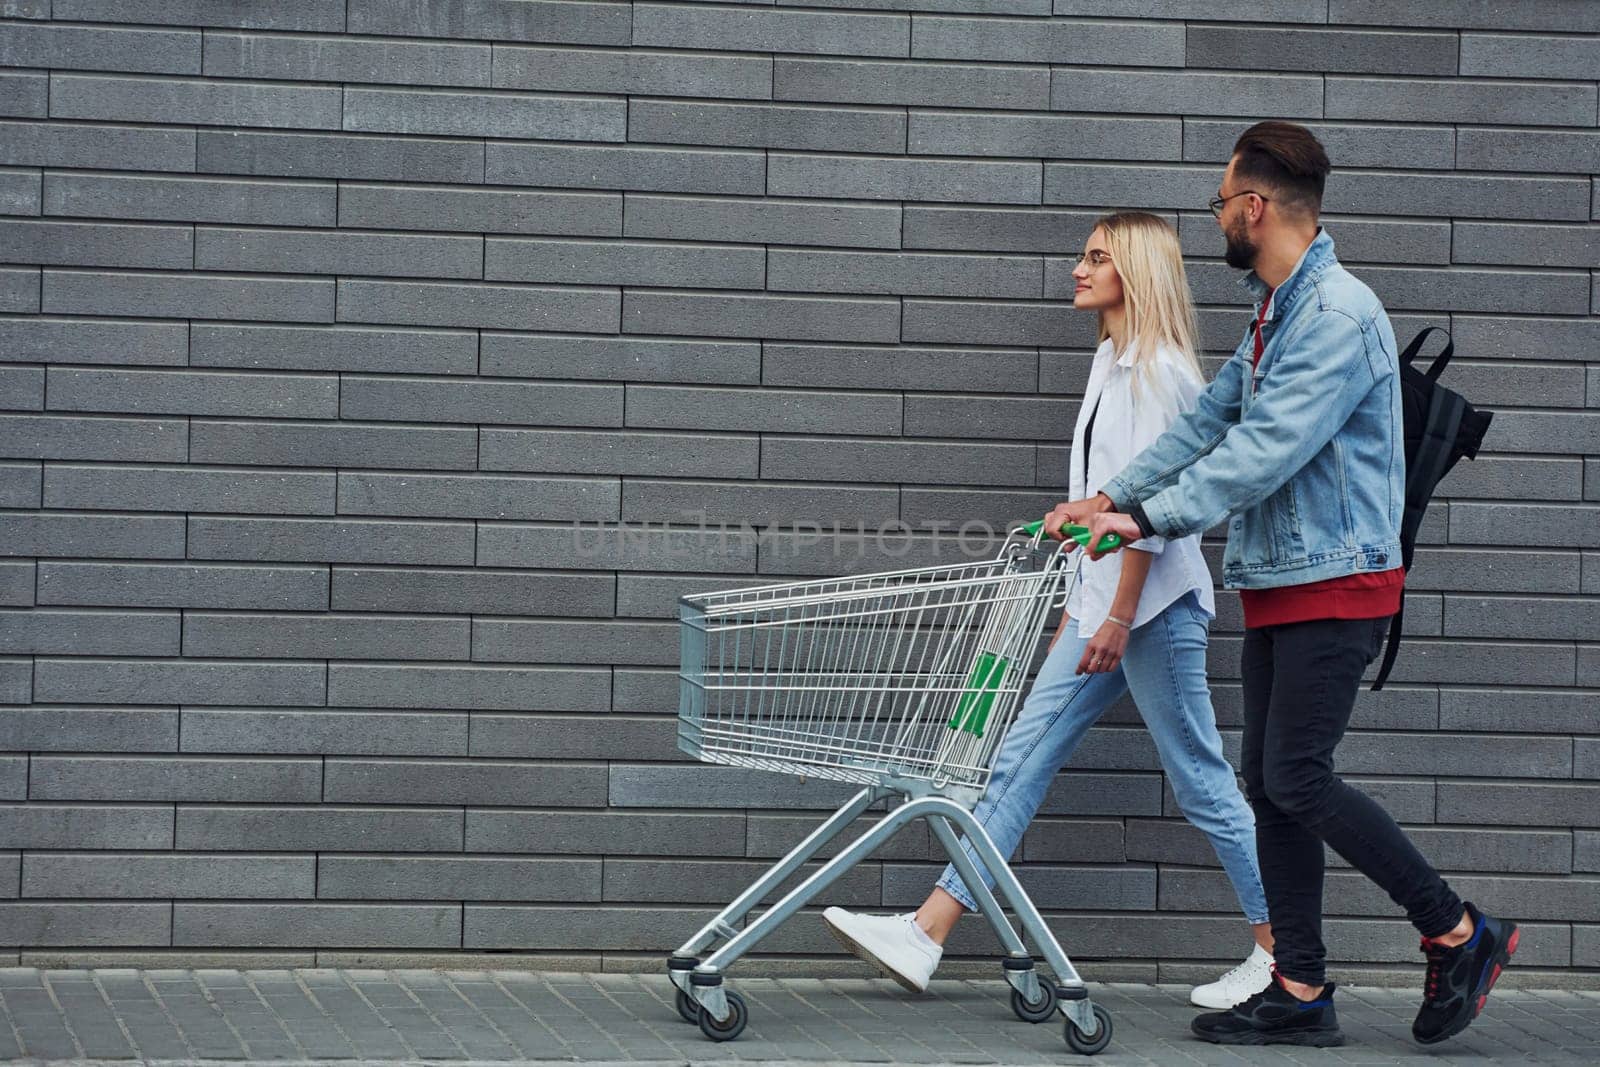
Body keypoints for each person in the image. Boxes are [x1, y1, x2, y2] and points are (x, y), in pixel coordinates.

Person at [1071, 122, 1518, 1048]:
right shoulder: (1275, 310)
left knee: (1299, 776)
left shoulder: (1339, 317)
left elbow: (1263, 453)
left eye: (1221, 202)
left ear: (1254, 207)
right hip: (1283, 577)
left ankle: (1459, 930)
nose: (1218, 218)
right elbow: (1208, 422)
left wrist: (1148, 519)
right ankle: (1301, 985)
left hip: (1340, 581)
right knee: (1270, 784)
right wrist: (1113, 494)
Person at [821, 212, 1274, 1012]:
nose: (1078, 268)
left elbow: (1154, 508)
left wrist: (1118, 614)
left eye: (1096, 257)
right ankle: (927, 932)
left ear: (1133, 271)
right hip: (1106, 605)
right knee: (1018, 760)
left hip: (1153, 612)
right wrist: (1081, 597)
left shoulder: (1156, 371)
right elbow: (1111, 499)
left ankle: (1283, 948)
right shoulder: (1112, 360)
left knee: (1201, 780)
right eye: (1084, 255)